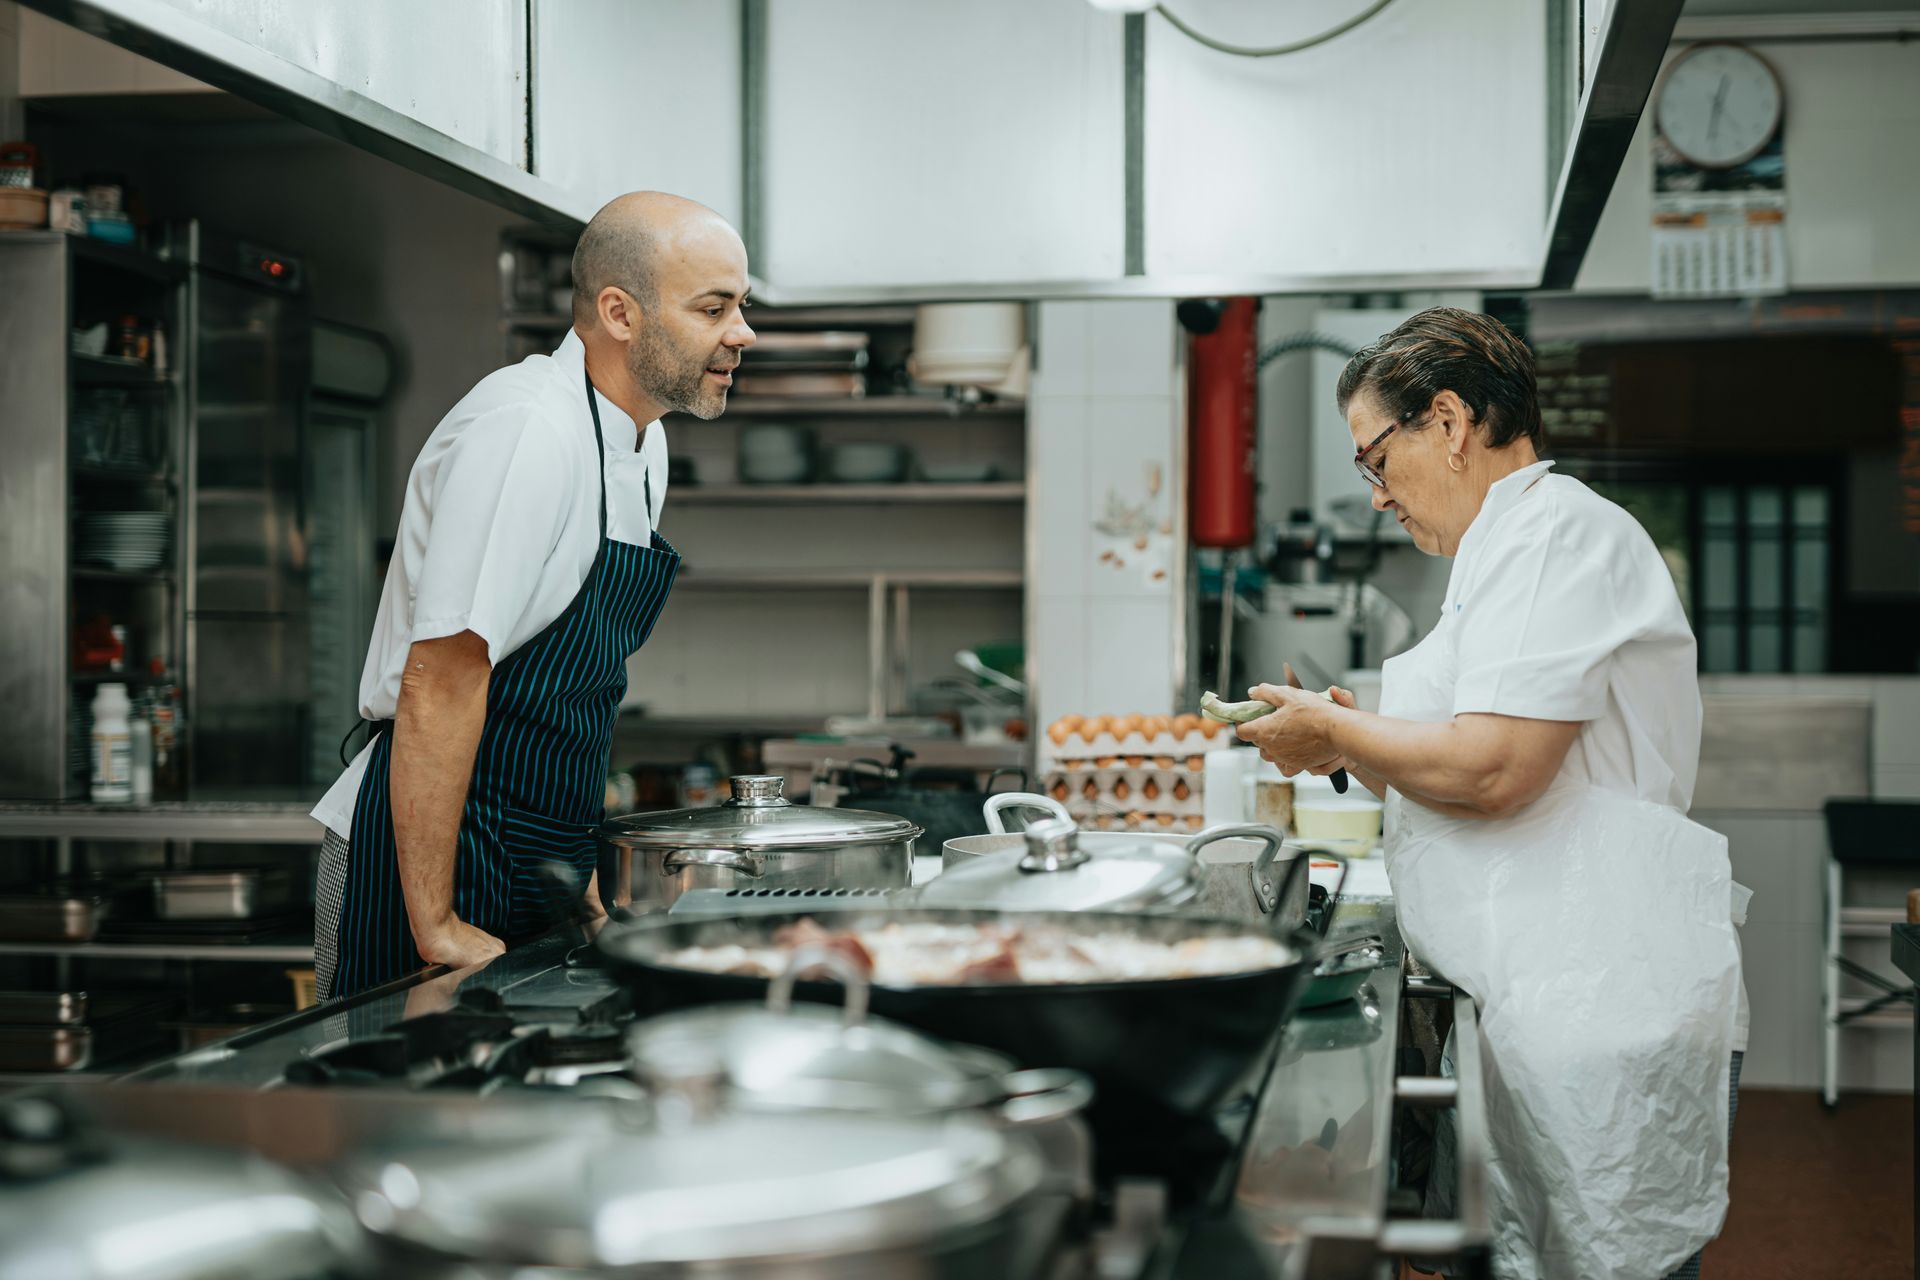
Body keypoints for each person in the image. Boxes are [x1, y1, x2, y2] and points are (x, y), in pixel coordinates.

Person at [1237, 308, 1747, 1280]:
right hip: (1548, 995)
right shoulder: (1496, 556)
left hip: (1604, 1008)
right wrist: (1355, 743)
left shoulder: (1556, 535)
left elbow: (1496, 769)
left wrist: (1341, 730)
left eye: (1375, 459)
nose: (1378, 495)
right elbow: (1464, 762)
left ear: (1449, 420)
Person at [309, 192, 755, 999]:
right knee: (407, 1101)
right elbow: (441, 678)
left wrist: (576, 876)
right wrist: (433, 922)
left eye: (741, 306)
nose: (742, 333)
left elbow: (576, 691)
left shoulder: (642, 442)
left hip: (536, 854)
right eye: (714, 307)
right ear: (619, 313)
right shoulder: (524, 433)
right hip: (433, 855)